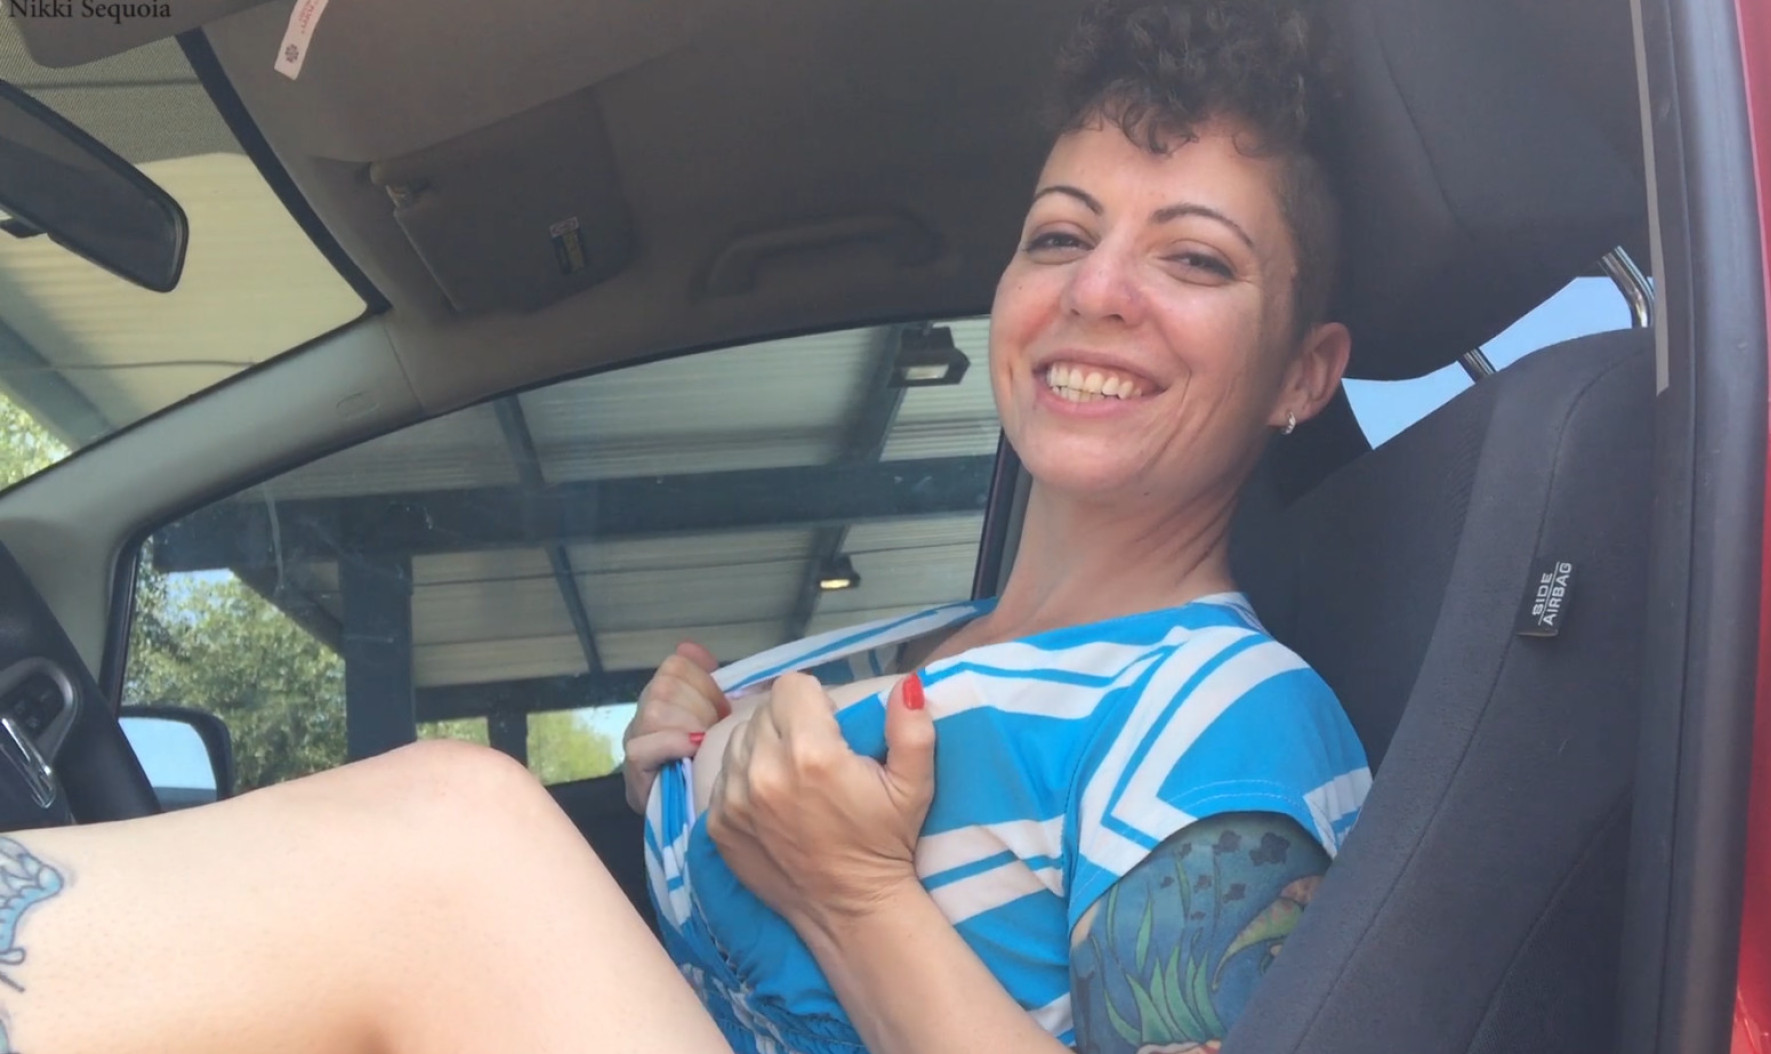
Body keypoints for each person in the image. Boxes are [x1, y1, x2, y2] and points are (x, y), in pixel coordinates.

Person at [0, 0, 1365, 1051]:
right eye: (1059, 236)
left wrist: (850, 894)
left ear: (1303, 373)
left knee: (461, 836)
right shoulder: (923, 643)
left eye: (1195, 257)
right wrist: (685, 779)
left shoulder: (1227, 717)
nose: (1098, 291)